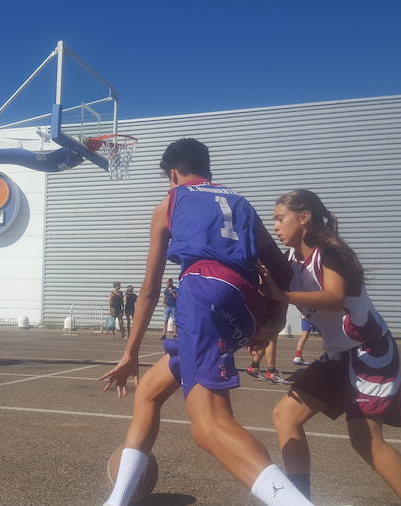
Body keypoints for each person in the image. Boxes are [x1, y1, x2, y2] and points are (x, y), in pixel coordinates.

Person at [99, 138, 310, 506]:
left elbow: (149, 289)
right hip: (245, 303)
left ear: (173, 174)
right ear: (208, 170)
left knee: (208, 427)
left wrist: (129, 352)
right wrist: (271, 323)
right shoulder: (240, 202)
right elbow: (281, 269)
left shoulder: (171, 201)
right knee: (149, 391)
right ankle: (117, 501)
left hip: (203, 293)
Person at [260, 189, 401, 505]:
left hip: (370, 353)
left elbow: (335, 298)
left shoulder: (330, 253)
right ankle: (300, 500)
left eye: (281, 218)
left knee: (366, 441)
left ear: (304, 217)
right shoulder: (290, 260)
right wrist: (263, 334)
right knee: (285, 416)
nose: (276, 226)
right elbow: (279, 310)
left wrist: (283, 296)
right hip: (338, 355)